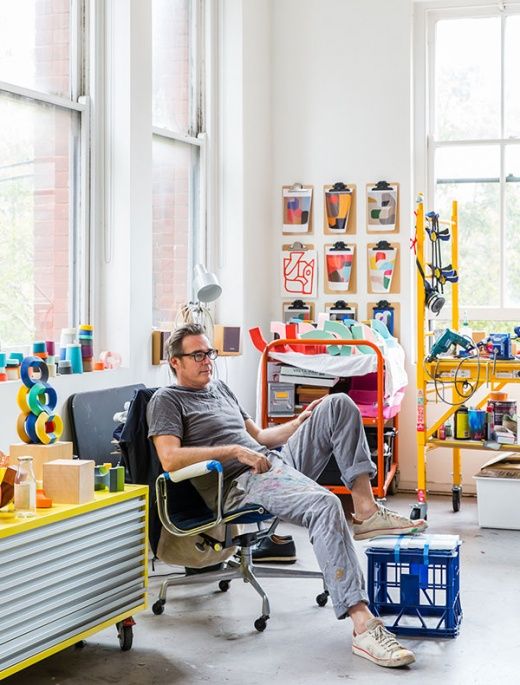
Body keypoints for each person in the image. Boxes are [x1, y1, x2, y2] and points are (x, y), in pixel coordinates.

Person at [147, 323, 427, 669]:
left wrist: (300, 423)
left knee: (337, 404)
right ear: (175, 362)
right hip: (239, 483)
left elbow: (262, 437)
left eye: (210, 353)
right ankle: (363, 624)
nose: (207, 361)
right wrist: (234, 452)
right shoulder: (167, 400)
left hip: (270, 463)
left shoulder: (220, 389)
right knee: (324, 504)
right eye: (198, 355)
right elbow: (169, 458)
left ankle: (366, 511)